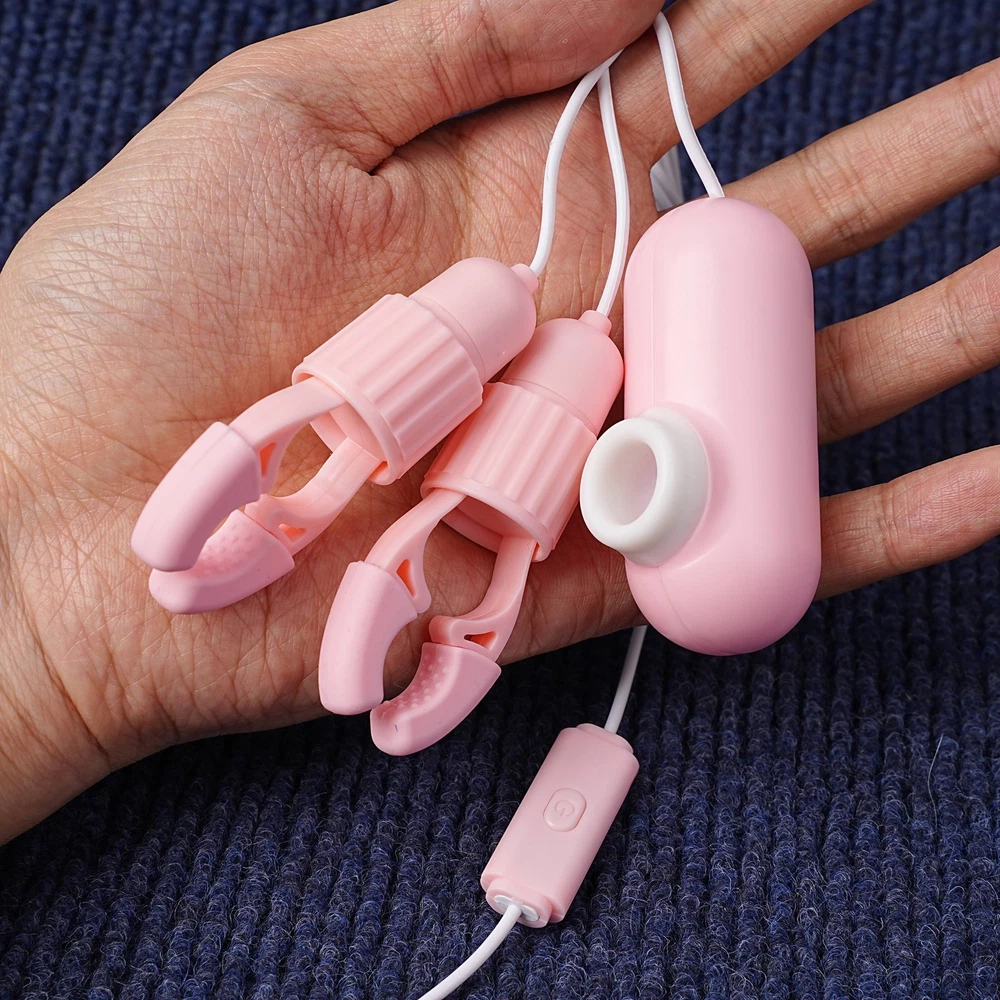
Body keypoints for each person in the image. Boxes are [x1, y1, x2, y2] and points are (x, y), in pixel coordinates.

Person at [0, 0, 997, 845]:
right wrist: (36, 618)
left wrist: (43, 645)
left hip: (495, 453)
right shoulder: (592, 334)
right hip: (469, 438)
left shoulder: (630, 342)